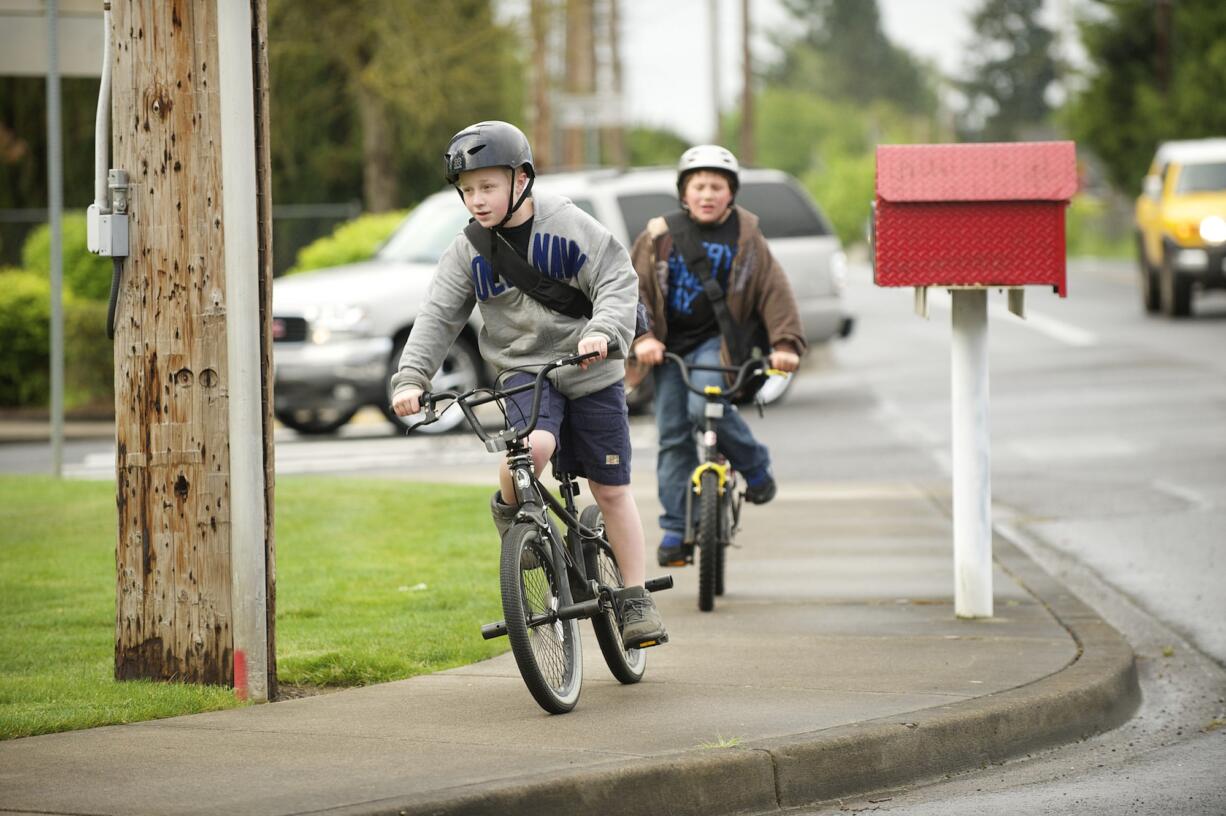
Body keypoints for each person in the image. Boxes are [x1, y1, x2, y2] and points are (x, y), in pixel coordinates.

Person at [390, 120, 667, 649]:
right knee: (533, 447)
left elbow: (616, 278)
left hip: (592, 366)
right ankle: (514, 514)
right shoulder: (467, 249)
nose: (476, 200)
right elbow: (437, 318)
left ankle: (634, 597)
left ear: (522, 180)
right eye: (467, 191)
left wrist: (603, 331)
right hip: (523, 371)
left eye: (487, 187)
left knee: (610, 490)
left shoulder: (567, 224)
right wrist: (411, 377)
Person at [628, 145, 806, 568]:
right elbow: (632, 291)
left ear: (731, 193)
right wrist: (643, 337)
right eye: (699, 186)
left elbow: (774, 292)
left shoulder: (748, 238)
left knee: (704, 403)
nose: (707, 194)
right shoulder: (658, 236)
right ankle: (675, 529)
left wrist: (785, 345)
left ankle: (754, 464)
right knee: (672, 434)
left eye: (717, 186)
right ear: (684, 193)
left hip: (719, 345)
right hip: (669, 349)